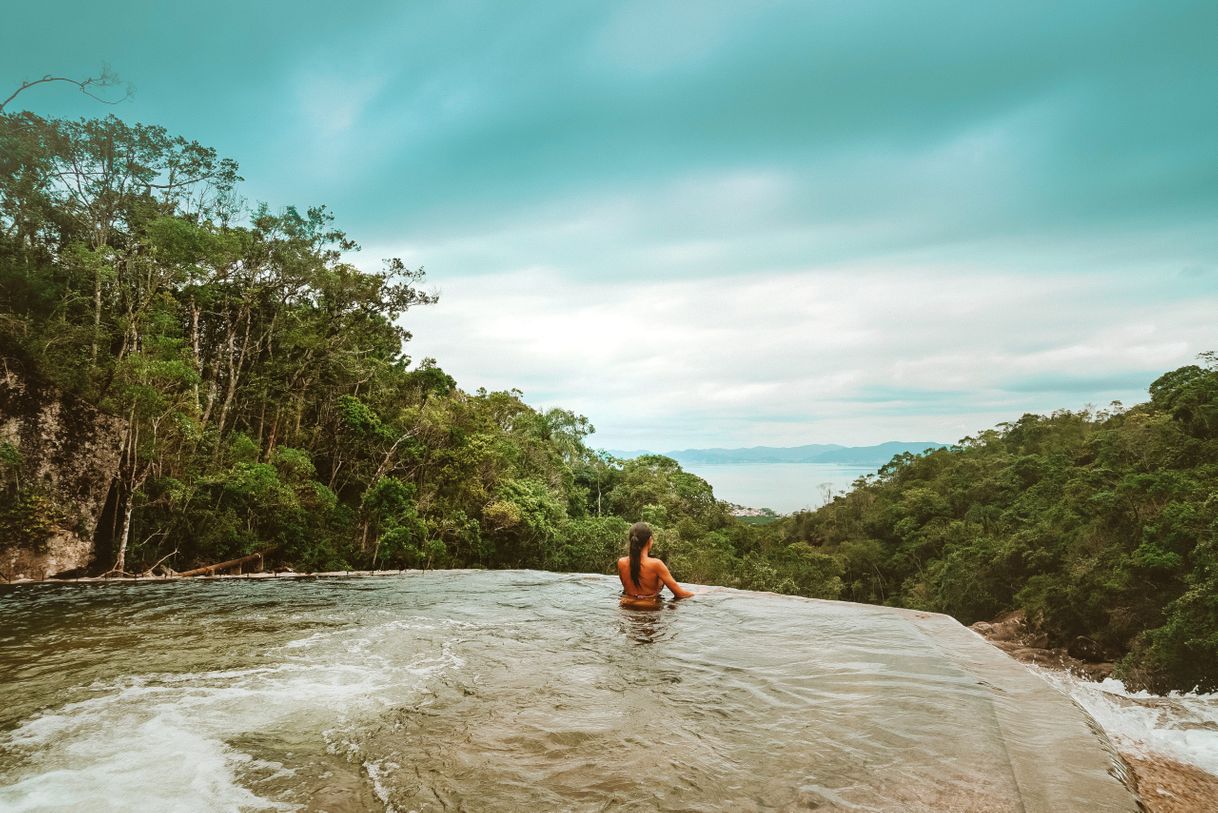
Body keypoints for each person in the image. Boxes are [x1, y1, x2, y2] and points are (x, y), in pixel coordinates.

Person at [617, 521, 694, 605]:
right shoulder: (656, 564)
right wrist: (699, 594)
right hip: (650, 607)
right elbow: (680, 594)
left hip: (627, 606)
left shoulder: (621, 562)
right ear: (650, 540)